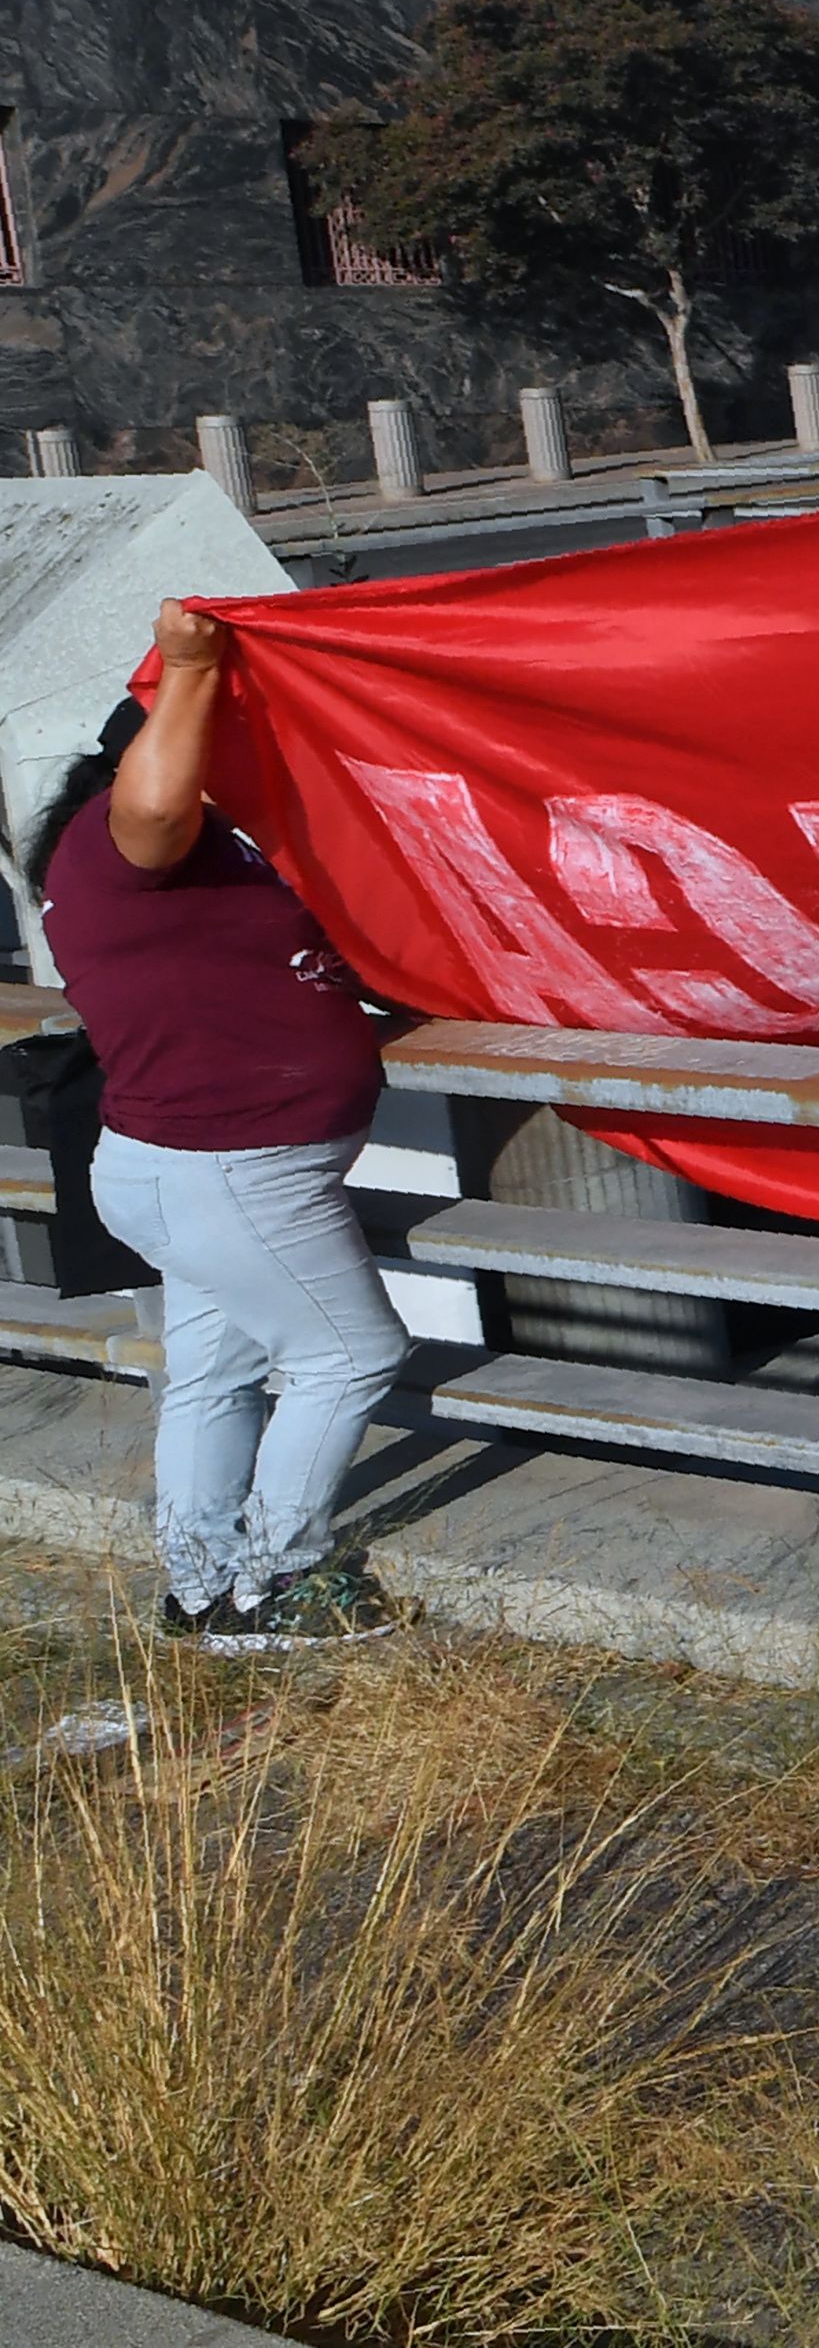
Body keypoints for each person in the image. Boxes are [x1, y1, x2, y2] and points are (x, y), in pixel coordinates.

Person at [26, 603, 417, 1652]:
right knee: (350, 1357)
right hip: (234, 1169)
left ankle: (198, 1587)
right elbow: (155, 804)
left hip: (187, 1164)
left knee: (212, 1374)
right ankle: (278, 1585)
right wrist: (194, 668)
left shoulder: (201, 859)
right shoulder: (122, 841)